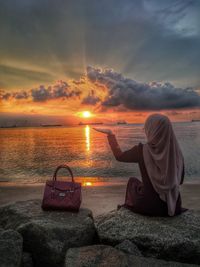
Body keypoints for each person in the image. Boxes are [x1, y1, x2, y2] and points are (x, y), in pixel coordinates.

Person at [93, 114, 187, 217]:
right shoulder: (177, 153)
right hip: (174, 206)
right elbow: (180, 180)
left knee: (133, 182)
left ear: (152, 131)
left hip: (150, 206)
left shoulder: (141, 150)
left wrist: (111, 134)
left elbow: (119, 156)